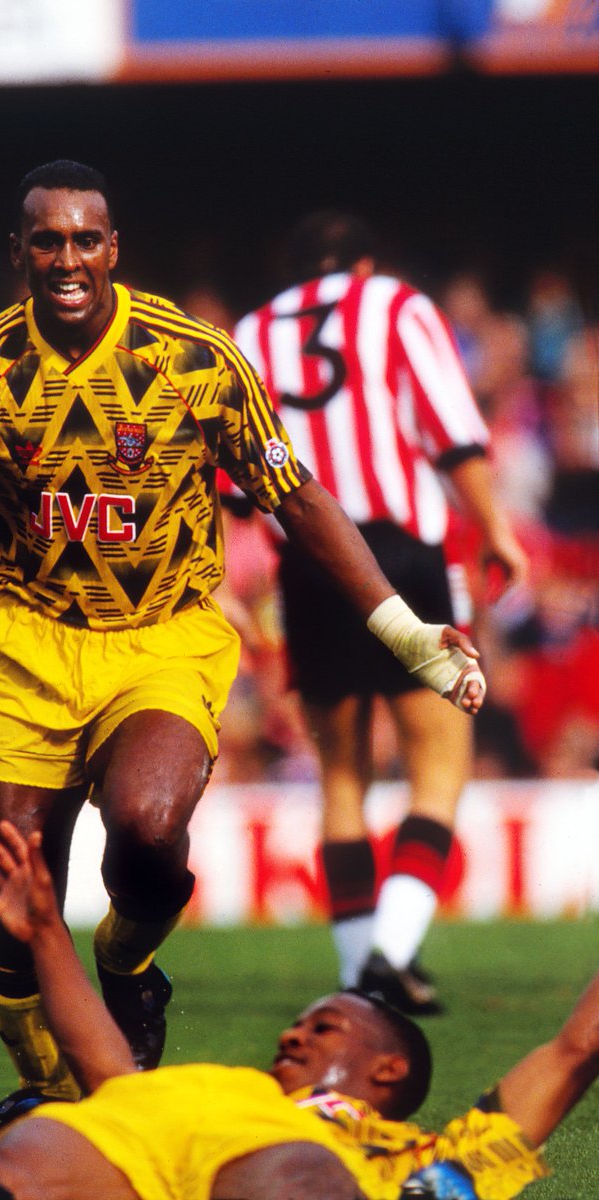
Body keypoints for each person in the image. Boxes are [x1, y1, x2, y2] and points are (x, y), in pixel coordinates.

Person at [0, 163, 485, 1116]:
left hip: (162, 638)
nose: (67, 258)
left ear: (113, 249)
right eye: (47, 241)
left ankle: (128, 965)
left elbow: (295, 496)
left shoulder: (194, 360)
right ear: (19, 252)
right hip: (28, 643)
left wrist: (405, 632)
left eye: (85, 239)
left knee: (146, 830)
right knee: (19, 903)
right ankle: (47, 1083)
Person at [0, 821, 599, 1200]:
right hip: (148, 1142)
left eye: (323, 1027)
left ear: (388, 1069)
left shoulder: (427, 1155)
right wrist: (45, 932)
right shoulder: (229, 1089)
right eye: (301, 1023)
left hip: (291, 1169)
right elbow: (109, 1071)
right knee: (14, 1161)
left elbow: (574, 1051)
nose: (291, 1033)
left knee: (297, 1175)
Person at [233, 211, 528, 1015]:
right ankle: (390, 955)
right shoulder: (393, 305)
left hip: (310, 563)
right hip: (400, 553)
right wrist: (496, 527)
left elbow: (232, 480)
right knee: (440, 763)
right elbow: (451, 432)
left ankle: (360, 968)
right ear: (361, 264)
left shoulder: (252, 332)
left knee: (341, 777)